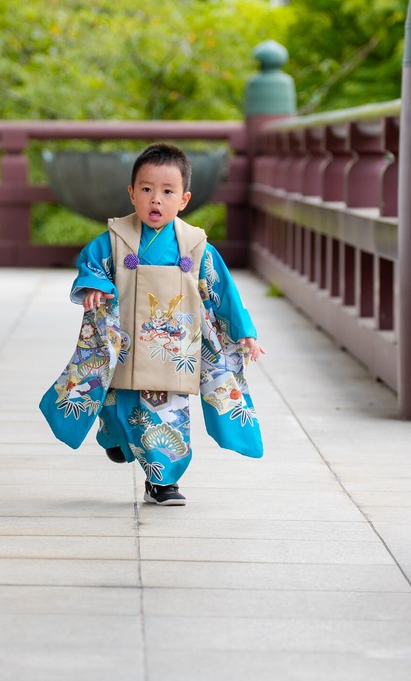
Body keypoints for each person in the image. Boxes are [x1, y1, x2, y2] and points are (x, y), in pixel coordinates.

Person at [39, 142, 265, 506]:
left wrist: (245, 333)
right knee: (116, 405)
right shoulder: (115, 240)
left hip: (172, 351)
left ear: (184, 199)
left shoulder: (196, 246)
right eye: (146, 189)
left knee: (167, 418)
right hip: (124, 344)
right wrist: (95, 286)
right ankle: (114, 436)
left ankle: (162, 482)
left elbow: (224, 292)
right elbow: (91, 265)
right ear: (132, 194)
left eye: (167, 192)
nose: (155, 199)